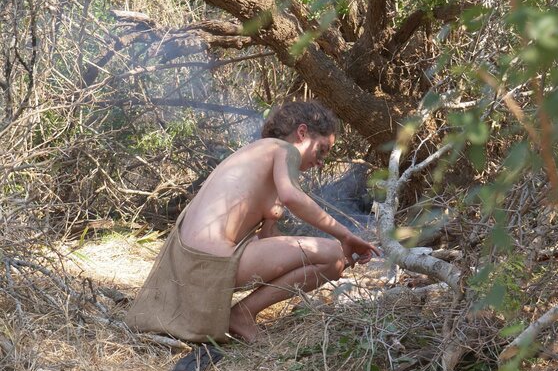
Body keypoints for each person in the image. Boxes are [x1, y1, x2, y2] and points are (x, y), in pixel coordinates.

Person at [125, 101, 380, 345]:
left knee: (332, 259)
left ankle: (241, 314)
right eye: (321, 150)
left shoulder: (256, 156)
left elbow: (268, 239)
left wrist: (328, 264)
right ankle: (242, 315)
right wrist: (344, 237)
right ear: (302, 132)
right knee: (332, 253)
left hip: (187, 266)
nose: (321, 161)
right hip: (210, 264)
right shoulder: (283, 150)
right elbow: (293, 197)